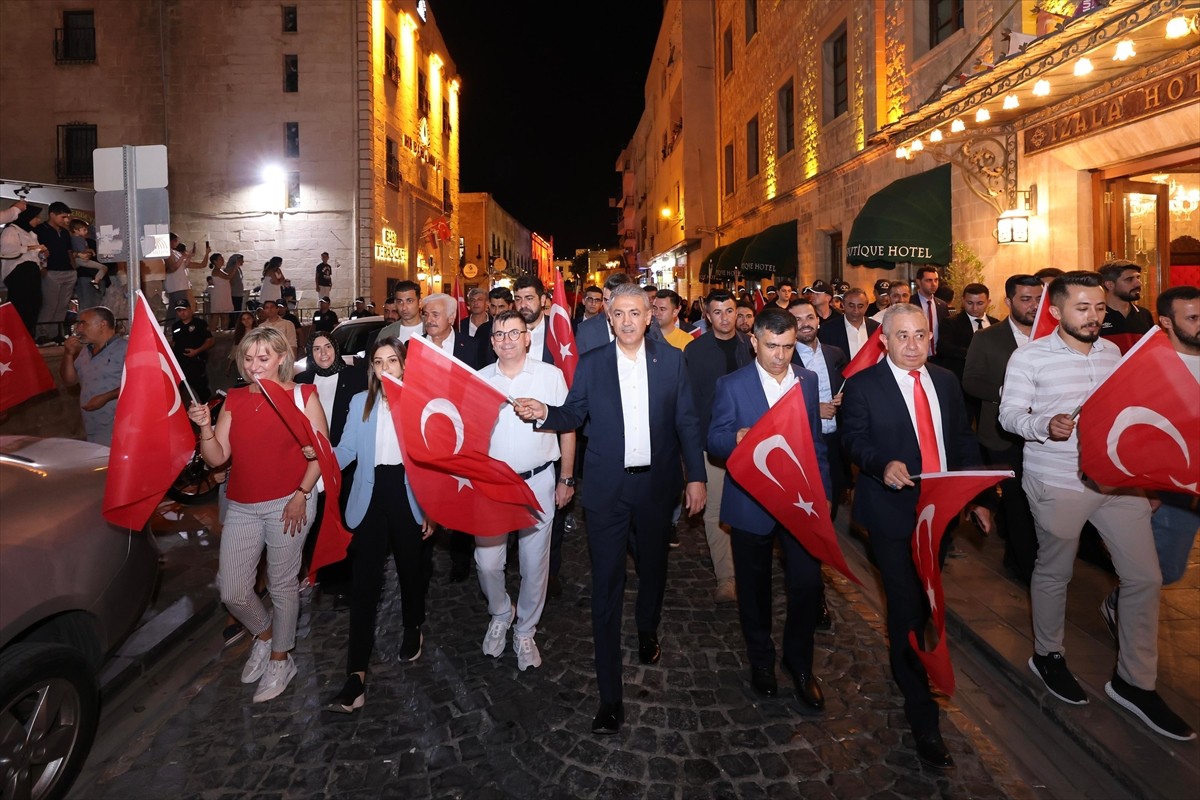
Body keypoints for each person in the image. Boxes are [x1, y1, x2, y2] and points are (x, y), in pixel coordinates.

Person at [999, 272, 1193, 742]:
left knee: (1145, 576)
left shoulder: (1113, 354)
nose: (1093, 317)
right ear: (1056, 311)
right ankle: (1048, 654)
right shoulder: (1029, 357)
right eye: (1083, 308)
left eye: (1099, 308)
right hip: (1058, 480)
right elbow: (1010, 415)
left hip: (1116, 484)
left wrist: (1147, 483)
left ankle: (1134, 682)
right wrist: (1045, 424)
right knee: (1055, 571)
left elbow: (1134, 417)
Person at [513, 282, 707, 735]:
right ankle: (610, 696)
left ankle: (647, 626)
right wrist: (545, 412)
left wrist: (696, 476)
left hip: (656, 488)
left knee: (653, 567)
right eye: (618, 314)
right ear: (609, 319)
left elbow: (686, 421)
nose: (626, 321)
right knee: (606, 586)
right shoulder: (593, 363)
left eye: (635, 313)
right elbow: (573, 414)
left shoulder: (672, 362)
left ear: (649, 316)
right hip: (606, 492)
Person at [840, 303, 995, 769]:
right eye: (902, 336)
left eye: (920, 335)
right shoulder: (864, 385)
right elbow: (852, 439)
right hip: (890, 513)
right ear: (884, 340)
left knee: (927, 598)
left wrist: (977, 496)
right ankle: (921, 711)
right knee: (906, 605)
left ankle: (910, 660)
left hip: (939, 513)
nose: (913, 345)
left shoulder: (945, 381)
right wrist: (880, 465)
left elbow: (961, 440)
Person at [186, 326, 327, 704]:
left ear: (281, 358)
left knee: (281, 585)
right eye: (248, 359)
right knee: (232, 590)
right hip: (242, 505)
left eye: (263, 358)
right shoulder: (234, 399)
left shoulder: (303, 395)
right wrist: (205, 427)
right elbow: (218, 457)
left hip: (290, 502)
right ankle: (265, 636)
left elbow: (321, 453)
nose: (254, 366)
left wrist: (301, 494)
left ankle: (282, 658)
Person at [708, 306, 832, 708]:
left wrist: (824, 494)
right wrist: (737, 437)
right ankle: (761, 659)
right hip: (752, 503)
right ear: (754, 341)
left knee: (807, 584)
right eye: (772, 346)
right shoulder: (732, 385)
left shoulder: (807, 381)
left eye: (788, 347)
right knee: (754, 588)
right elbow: (714, 438)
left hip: (800, 502)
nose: (780, 356)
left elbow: (815, 442)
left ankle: (799, 663)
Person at [323, 337, 434, 712]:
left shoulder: (419, 402)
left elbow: (431, 458)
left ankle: (412, 625)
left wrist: (430, 506)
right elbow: (346, 451)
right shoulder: (360, 402)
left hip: (406, 492)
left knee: (410, 568)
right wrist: (319, 462)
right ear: (371, 367)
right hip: (368, 496)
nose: (385, 367)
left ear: (404, 365)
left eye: (392, 360)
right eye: (378, 361)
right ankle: (355, 675)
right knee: (364, 584)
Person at [475, 311, 575, 671]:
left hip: (537, 480)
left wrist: (566, 478)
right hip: (492, 484)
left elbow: (568, 428)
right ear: (492, 342)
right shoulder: (480, 379)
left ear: (528, 337)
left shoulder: (550, 376)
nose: (506, 340)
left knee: (535, 564)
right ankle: (501, 611)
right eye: (499, 334)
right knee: (487, 562)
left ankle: (525, 630)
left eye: (514, 333)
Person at [961, 274, 1043, 585]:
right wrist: (1008, 393)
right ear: (1009, 301)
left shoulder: (1053, 336)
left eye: (1039, 299)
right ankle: (1026, 568)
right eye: (1026, 299)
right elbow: (971, 381)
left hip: (1045, 435)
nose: (1033, 305)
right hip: (1003, 435)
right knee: (1017, 500)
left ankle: (1022, 555)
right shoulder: (987, 338)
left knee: (1038, 502)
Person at [684, 289, 754, 604]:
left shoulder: (752, 346)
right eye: (717, 312)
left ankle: (748, 567)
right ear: (707, 314)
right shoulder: (695, 351)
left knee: (750, 507)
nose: (724, 318)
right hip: (711, 443)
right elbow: (687, 404)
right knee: (715, 510)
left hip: (751, 442)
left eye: (729, 311)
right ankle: (726, 577)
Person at [61, 306, 127, 446]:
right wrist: (68, 354)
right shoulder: (86, 351)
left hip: (120, 427)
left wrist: (106, 397)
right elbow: (69, 381)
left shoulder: (125, 349)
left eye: (83, 323)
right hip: (92, 425)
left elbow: (140, 384)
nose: (79, 329)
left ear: (102, 324)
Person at [0, 203, 46, 336]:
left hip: (32, 271)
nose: (38, 220)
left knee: (34, 304)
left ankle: (28, 336)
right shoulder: (11, 230)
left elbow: (36, 255)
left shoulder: (32, 234)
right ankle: (16, 337)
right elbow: (7, 250)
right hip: (18, 272)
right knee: (21, 305)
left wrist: (42, 256)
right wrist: (30, 248)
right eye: (35, 217)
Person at [35, 202, 77, 344]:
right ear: (52, 214)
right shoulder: (41, 230)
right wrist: (43, 268)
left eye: (67, 217)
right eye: (63, 216)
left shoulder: (64, 232)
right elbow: (38, 251)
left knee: (63, 305)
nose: (66, 220)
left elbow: (69, 251)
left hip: (68, 271)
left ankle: (56, 333)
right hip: (51, 271)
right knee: (50, 304)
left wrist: (74, 268)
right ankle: (42, 334)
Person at [1098, 259, 1154, 349]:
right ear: (1109, 285)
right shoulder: (1096, 315)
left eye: (1138, 278)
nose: (1139, 283)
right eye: (1129, 279)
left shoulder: (1144, 314)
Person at [170, 300, 214, 403]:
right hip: (180, 363)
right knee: (178, 390)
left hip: (196, 362)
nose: (182, 313)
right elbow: (174, 342)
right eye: (179, 311)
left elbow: (210, 341)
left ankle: (209, 408)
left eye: (184, 310)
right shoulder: (176, 326)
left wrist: (197, 351)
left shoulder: (200, 324)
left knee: (202, 390)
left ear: (190, 309)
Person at [820, 286, 878, 360]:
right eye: (851, 306)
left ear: (866, 306)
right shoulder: (828, 329)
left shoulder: (876, 328)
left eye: (860, 306)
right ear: (843, 305)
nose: (856, 311)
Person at [165, 235, 210, 328]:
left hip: (181, 285)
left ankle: (171, 329)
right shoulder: (168, 253)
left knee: (174, 310)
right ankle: (177, 329)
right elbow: (173, 268)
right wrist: (183, 256)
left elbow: (184, 265)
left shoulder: (175, 252)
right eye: (175, 240)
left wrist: (188, 257)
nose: (177, 242)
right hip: (176, 285)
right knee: (180, 310)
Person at [913, 266, 950, 362]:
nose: (933, 284)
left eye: (936, 280)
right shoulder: (910, 303)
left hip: (939, 357)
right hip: (917, 356)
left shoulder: (942, 305)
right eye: (929, 280)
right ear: (918, 282)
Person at [69, 218, 107, 308]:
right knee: (103, 267)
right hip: (82, 265)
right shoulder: (78, 240)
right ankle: (96, 280)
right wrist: (90, 251)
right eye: (84, 229)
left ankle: (96, 280)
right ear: (76, 230)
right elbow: (82, 250)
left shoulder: (76, 239)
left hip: (81, 266)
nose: (86, 232)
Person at [208, 253, 235, 328]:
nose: (222, 260)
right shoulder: (216, 271)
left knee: (225, 316)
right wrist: (235, 267)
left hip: (224, 295)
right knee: (216, 317)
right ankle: (211, 333)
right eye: (220, 258)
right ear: (215, 261)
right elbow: (228, 277)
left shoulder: (220, 270)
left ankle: (224, 332)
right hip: (219, 295)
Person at [227, 252, 246, 329]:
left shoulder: (238, 269)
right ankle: (232, 325)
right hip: (233, 293)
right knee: (234, 311)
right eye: (241, 260)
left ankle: (237, 325)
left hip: (238, 293)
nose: (243, 261)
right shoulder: (231, 269)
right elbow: (229, 279)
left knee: (238, 310)